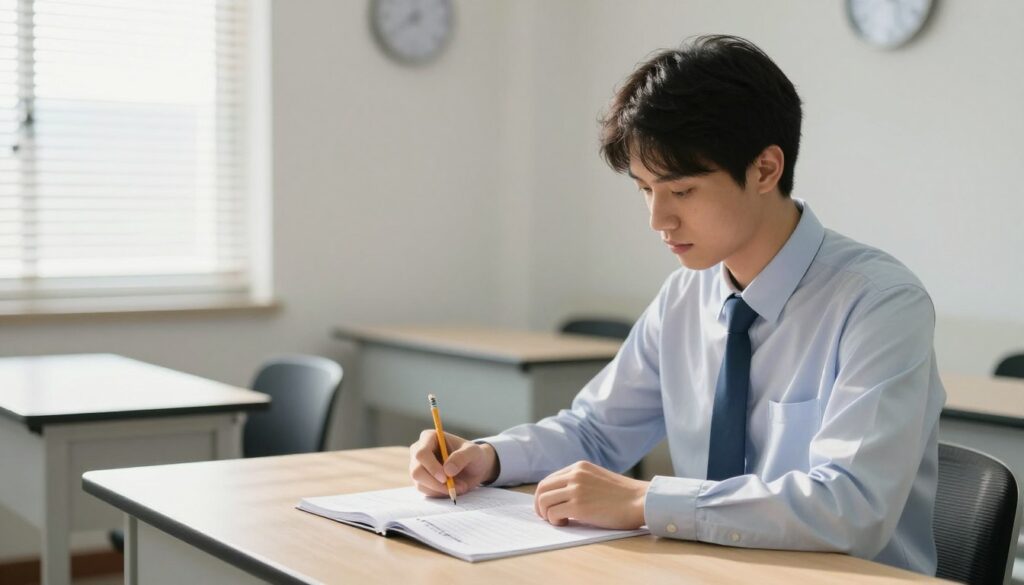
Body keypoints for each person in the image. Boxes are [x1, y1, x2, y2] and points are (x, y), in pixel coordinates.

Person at [408, 34, 944, 575]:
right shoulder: (687, 295)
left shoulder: (880, 304)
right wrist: (490, 457)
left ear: (764, 170)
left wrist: (646, 503)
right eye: (645, 189)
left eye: (681, 191)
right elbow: (596, 431)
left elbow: (851, 509)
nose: (657, 220)